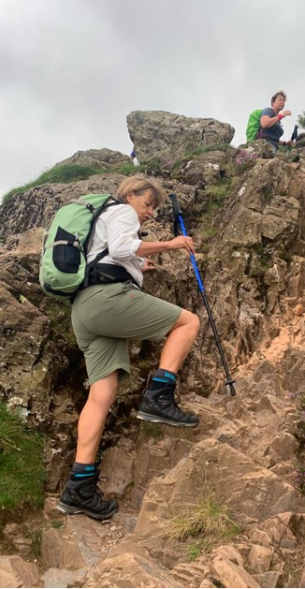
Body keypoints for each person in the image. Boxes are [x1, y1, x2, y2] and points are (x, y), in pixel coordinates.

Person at [57, 175, 201, 520]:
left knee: (100, 396)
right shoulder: (121, 211)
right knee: (188, 323)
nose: (149, 212)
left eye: (154, 208)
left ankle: (78, 487)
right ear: (129, 194)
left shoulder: (101, 220)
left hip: (84, 311)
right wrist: (171, 244)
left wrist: (137, 265)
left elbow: (114, 254)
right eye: (147, 203)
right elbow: (123, 247)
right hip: (107, 299)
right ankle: (159, 396)